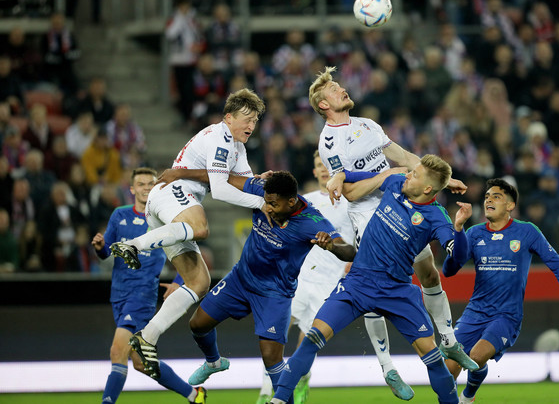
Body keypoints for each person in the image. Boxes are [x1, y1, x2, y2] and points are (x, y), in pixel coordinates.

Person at [308, 66, 476, 399]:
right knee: (372, 287)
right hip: (368, 214)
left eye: (341, 85)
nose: (342, 89)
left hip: (398, 202)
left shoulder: (368, 125)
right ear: (323, 104)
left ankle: (449, 340)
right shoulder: (329, 143)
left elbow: (404, 157)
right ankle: (388, 368)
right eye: (335, 89)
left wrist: (439, 179)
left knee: (428, 270)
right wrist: (388, 176)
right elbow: (352, 193)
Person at [270, 154, 470, 404]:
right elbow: (360, 177)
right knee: (312, 338)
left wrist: (459, 230)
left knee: (432, 359)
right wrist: (341, 175)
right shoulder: (396, 183)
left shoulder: (437, 217)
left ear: (428, 188)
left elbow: (457, 259)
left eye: (415, 174)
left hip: (397, 291)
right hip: (358, 284)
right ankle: (277, 400)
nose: (408, 174)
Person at [110, 88, 267, 379]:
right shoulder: (220, 138)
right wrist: (261, 203)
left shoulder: (237, 148)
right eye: (246, 118)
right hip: (175, 194)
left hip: (167, 210)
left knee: (199, 282)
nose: (251, 126)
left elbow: (244, 182)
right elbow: (220, 189)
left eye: (255, 120)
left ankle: (148, 337)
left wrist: (261, 182)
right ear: (228, 117)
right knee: (201, 228)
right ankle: (133, 244)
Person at [158, 169, 355, 400]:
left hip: (275, 294)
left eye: (273, 204)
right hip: (240, 279)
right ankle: (213, 362)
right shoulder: (260, 190)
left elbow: (349, 251)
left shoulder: (312, 221)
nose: (267, 207)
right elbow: (221, 177)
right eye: (266, 202)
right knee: (197, 324)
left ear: (291, 202)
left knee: (272, 361)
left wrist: (331, 246)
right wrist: (180, 173)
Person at [441, 178, 559, 403]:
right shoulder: (474, 233)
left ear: (510, 206)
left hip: (506, 316)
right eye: (487, 196)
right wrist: (458, 230)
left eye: (496, 196)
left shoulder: (526, 231)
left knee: (475, 358)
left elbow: (555, 261)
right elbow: (449, 269)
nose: (489, 199)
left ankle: (468, 396)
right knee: (447, 370)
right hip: (474, 313)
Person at [92, 167, 206, 404]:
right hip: (119, 293)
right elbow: (106, 254)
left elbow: (187, 253)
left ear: (156, 188)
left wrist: (179, 281)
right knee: (141, 363)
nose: (145, 188)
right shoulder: (119, 215)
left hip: (142, 294)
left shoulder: (164, 218)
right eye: (141, 184)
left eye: (149, 184)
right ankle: (194, 395)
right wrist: (100, 247)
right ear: (132, 189)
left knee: (117, 351)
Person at [257, 151, 355, 404]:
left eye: (326, 165)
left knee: (308, 339)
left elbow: (356, 243)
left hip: (328, 284)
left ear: (336, 170)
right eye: (317, 166)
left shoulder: (351, 204)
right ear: (313, 172)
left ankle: (302, 379)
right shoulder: (304, 203)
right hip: (297, 280)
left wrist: (353, 262)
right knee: (273, 332)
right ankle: (266, 391)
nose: (322, 169)